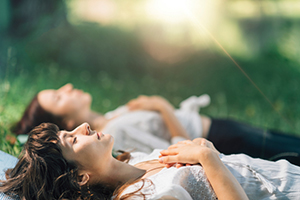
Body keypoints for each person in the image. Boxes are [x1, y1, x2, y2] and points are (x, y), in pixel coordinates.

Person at [13, 83, 300, 166]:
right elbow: (178, 151)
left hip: (221, 126)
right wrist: (162, 106)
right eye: (58, 97)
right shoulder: (115, 133)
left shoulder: (111, 116)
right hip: (220, 138)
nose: (67, 87)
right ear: (67, 122)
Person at [1, 122, 300, 200]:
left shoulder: (138, 159)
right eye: (74, 140)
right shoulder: (142, 197)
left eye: (70, 131)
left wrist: (202, 147)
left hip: (287, 174)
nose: (82, 128)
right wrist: (208, 158)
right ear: (80, 178)